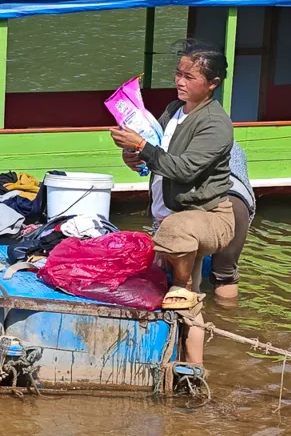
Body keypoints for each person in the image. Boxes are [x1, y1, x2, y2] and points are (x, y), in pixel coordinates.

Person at [108, 40, 235, 377]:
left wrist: (142, 145)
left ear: (212, 84)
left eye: (189, 77)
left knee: (184, 291)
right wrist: (133, 156)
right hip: (167, 216)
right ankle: (177, 364)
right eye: (178, 74)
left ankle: (194, 368)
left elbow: (182, 169)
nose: (180, 81)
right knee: (171, 291)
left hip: (206, 217)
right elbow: (154, 163)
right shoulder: (172, 111)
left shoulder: (216, 124)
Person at [150, 141, 255, 302]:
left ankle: (192, 323)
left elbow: (162, 216)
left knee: (183, 286)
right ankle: (227, 319)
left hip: (202, 205)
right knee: (225, 276)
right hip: (239, 203)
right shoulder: (231, 143)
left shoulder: (168, 148)